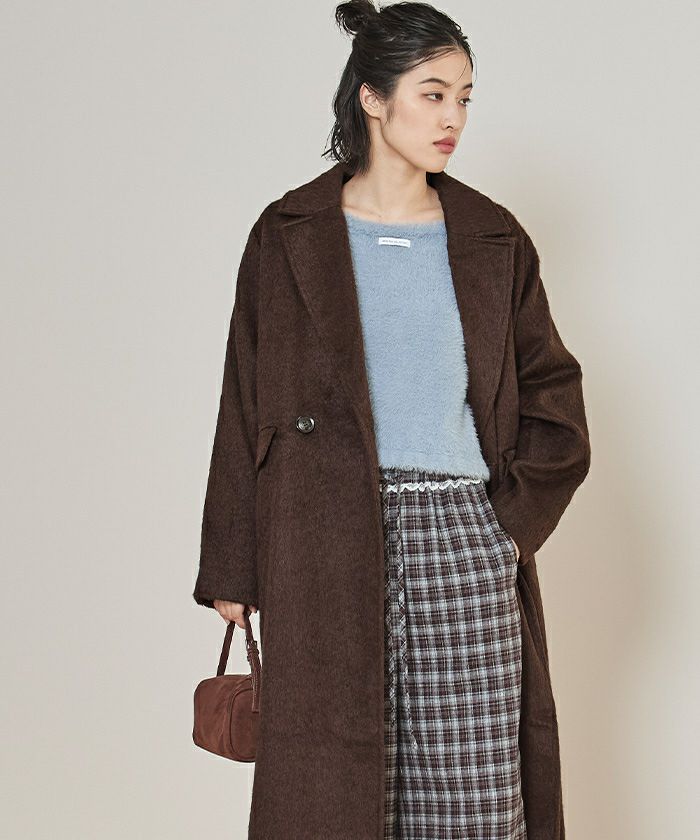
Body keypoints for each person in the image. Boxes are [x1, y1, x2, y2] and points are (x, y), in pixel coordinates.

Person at [193, 2, 590, 838]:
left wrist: (505, 535)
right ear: (372, 98)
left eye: (465, 98)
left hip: (462, 537)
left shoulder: (491, 238)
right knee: (337, 798)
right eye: (433, 94)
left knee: (473, 801)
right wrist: (235, 564)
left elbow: (555, 400)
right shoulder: (288, 234)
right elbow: (244, 399)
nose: (453, 119)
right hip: (324, 539)